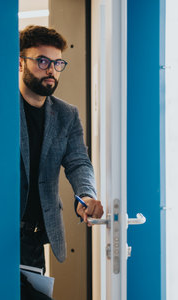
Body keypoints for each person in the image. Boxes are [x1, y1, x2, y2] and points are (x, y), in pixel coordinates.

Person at [19, 25, 104, 298]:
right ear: (21, 62)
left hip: (34, 238)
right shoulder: (0, 107)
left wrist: (87, 196)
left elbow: (79, 162)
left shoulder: (66, 115)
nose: (51, 70)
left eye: (57, 62)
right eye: (42, 61)